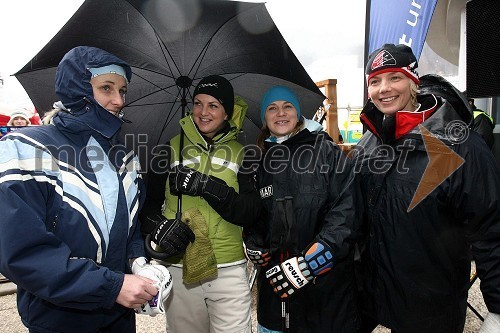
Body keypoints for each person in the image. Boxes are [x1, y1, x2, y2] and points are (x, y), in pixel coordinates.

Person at [0, 46, 172, 333]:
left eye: (123, 90)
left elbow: (129, 231)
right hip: (58, 320)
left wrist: (139, 262)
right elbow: (21, 250)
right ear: (75, 87)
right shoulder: (25, 148)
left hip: (118, 318)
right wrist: (112, 286)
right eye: (106, 88)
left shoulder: (126, 159)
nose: (118, 100)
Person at [355, 43, 500, 332]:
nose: (384, 88)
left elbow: (491, 230)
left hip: (431, 311)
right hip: (375, 298)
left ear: (413, 82)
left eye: (394, 77)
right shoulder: (368, 143)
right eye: (375, 81)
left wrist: (497, 309)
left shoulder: (459, 146)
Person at [140, 74, 261, 333]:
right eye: (198, 103)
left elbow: (250, 212)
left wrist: (207, 186)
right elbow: (147, 210)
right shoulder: (167, 150)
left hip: (227, 270)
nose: (203, 112)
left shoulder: (244, 153)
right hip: (178, 269)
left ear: (227, 113)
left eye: (213, 105)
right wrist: (161, 227)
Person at [243, 86, 363, 332]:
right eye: (272, 108)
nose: (281, 113)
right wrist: (252, 241)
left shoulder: (326, 151)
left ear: (298, 113)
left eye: (287, 106)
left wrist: (311, 263)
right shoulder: (260, 160)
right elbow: (257, 214)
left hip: (323, 300)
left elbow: (347, 212)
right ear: (264, 118)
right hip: (274, 297)